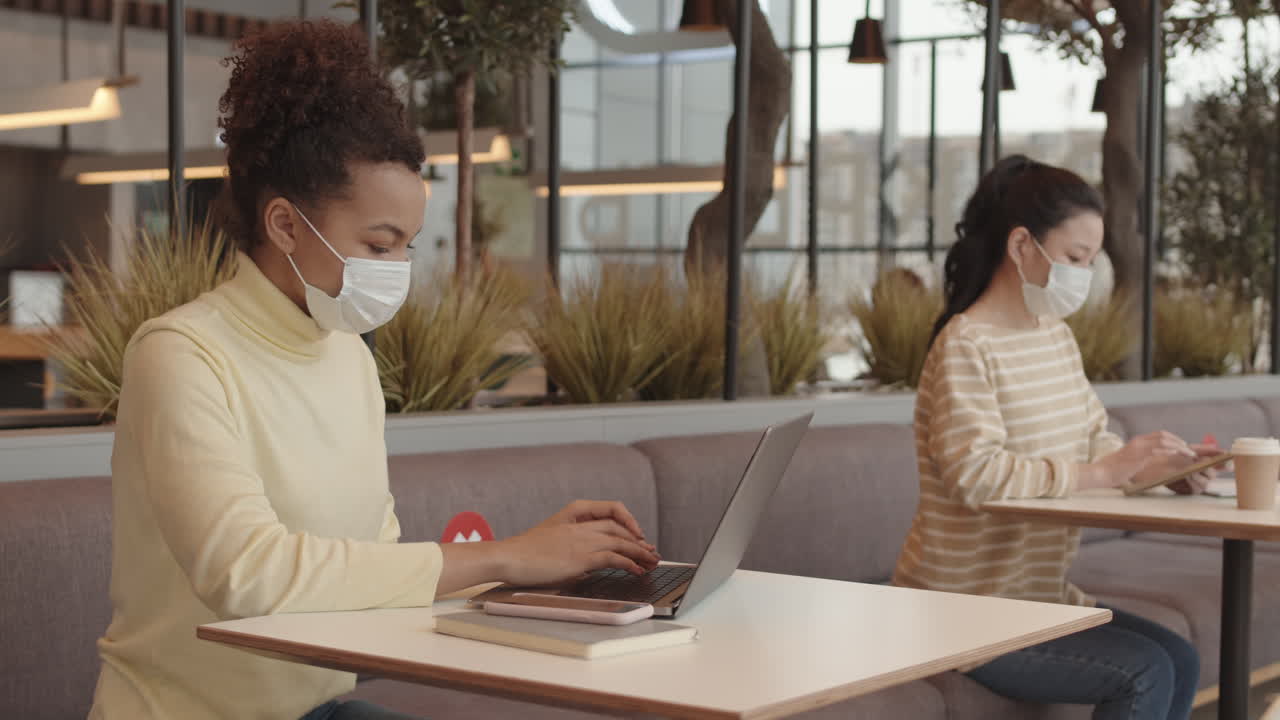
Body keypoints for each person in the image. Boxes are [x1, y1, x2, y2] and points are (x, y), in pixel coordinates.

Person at [89, 20, 658, 720]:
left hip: (320, 708)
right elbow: (247, 575)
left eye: (408, 246)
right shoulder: (180, 355)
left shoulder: (348, 358)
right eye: (379, 245)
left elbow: (371, 572)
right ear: (285, 226)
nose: (398, 272)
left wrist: (547, 574)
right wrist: (509, 558)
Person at [893, 155, 1214, 720]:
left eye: (1091, 260)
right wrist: (1102, 475)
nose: (1084, 275)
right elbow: (975, 474)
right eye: (1074, 257)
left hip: (1034, 600)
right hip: (962, 611)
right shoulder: (966, 345)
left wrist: (1166, 472)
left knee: (1180, 659)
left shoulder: (1054, 336)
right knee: (1145, 672)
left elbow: (1093, 439)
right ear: (1022, 247)